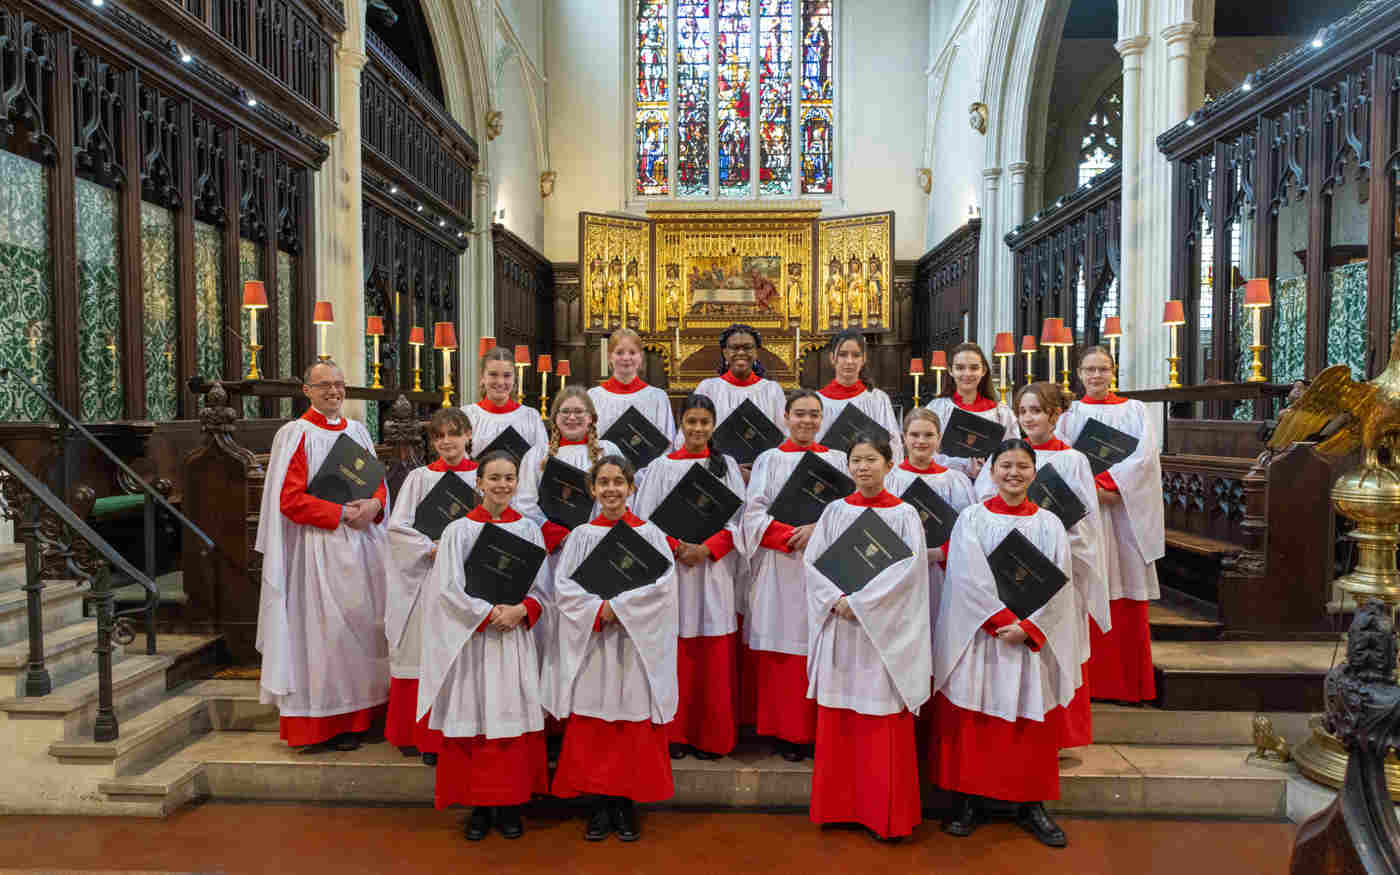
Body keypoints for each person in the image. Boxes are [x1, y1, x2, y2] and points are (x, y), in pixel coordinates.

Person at [932, 439, 1075, 848]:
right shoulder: (973, 518)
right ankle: (969, 801)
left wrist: (1030, 627)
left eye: (1022, 466)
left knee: (1028, 718)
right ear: (992, 471)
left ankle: (1031, 804)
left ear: (1034, 472)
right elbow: (966, 578)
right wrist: (1000, 622)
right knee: (976, 715)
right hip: (984, 637)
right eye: (1006, 465)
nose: (1014, 473)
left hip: (1027, 640)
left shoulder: (1049, 523)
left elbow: (1060, 582)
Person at [255, 360, 390, 751]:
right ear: (307, 391)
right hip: (318, 549)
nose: (333, 391)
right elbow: (290, 500)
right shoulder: (296, 435)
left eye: (339, 384)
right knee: (325, 637)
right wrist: (341, 513)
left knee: (365, 633)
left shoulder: (358, 431)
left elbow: (377, 482)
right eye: (324, 385)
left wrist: (375, 506)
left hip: (363, 546)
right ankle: (326, 723)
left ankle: (363, 718)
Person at [416, 451, 549, 841]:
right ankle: (479, 807)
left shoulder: (529, 530)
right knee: (474, 719)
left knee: (508, 721)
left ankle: (509, 805)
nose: (502, 485)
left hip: (512, 639)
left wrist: (522, 610)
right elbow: (446, 589)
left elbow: (544, 588)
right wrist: (486, 613)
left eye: (509, 478)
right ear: (479, 483)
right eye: (494, 478)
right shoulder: (458, 531)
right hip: (473, 641)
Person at [544, 456, 678, 842]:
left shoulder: (651, 535)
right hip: (596, 642)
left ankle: (625, 804)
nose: (611, 489)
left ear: (631, 487)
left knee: (630, 722)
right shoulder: (582, 536)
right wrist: (597, 610)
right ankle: (600, 805)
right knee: (595, 724)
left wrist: (619, 608)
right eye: (603, 482)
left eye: (619, 481)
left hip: (635, 644)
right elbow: (564, 588)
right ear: (592, 489)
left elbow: (664, 588)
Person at [804, 434, 930, 842]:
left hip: (884, 637)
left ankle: (882, 813)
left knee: (880, 720)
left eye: (871, 459)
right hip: (841, 628)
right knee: (840, 717)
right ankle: (838, 806)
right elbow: (813, 564)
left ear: (889, 464)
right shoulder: (835, 511)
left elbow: (908, 574)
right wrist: (836, 599)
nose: (863, 467)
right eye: (856, 460)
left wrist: (860, 603)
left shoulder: (905, 515)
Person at [973, 382, 1107, 748]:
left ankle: (1054, 736)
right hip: (1007, 570)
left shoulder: (1073, 460)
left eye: (1036, 410)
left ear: (1054, 414)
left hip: (1055, 570)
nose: (1028, 418)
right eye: (1023, 411)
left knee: (1052, 643)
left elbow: (1086, 522)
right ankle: (1011, 736)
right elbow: (983, 503)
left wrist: (1052, 547)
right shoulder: (1004, 455)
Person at [632, 394, 747, 760]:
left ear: (714, 426)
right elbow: (644, 521)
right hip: (675, 570)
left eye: (704, 422)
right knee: (675, 650)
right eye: (691, 421)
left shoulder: (725, 466)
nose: (698, 428)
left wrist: (708, 549)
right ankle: (676, 734)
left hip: (713, 571)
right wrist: (678, 547)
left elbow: (741, 520)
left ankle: (712, 737)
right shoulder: (661, 467)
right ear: (680, 424)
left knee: (712, 655)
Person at [740, 389, 847, 762]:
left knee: (821, 644)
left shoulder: (837, 459)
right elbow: (752, 514)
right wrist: (790, 536)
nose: (807, 420)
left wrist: (817, 530)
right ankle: (785, 731)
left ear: (822, 419)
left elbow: (850, 510)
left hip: (825, 569)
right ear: (786, 417)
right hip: (781, 566)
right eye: (799, 413)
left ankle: (819, 729)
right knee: (783, 645)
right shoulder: (769, 459)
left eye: (814, 414)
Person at [1054, 347, 1164, 704]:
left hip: (1122, 513)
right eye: (1090, 369)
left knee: (1124, 583)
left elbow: (1145, 458)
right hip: (1086, 514)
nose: (1096, 375)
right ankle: (1091, 685)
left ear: (1112, 371)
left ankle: (1129, 686)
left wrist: (1109, 485)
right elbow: (1060, 459)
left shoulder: (1135, 410)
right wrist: (1091, 490)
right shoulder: (1069, 415)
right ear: (1079, 373)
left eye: (1102, 369)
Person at [382, 408, 478, 764]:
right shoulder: (419, 478)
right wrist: (430, 548)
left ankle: (457, 734)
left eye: (454, 434)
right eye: (439, 436)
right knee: (422, 651)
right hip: (428, 576)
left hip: (468, 580)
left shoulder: (483, 477)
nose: (446, 442)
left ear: (468, 435)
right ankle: (421, 735)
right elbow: (398, 529)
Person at [884, 408, 976, 763]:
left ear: (939, 440)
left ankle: (938, 732)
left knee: (940, 642)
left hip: (942, 574)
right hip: (901, 581)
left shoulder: (956, 481)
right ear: (903, 439)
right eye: (914, 435)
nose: (921, 442)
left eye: (928, 435)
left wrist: (939, 553)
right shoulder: (890, 479)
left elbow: (970, 531)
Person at [515, 387, 621, 558]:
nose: (571, 417)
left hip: (598, 543)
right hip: (553, 548)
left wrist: (593, 533)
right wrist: (557, 535)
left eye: (579, 411)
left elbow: (624, 496)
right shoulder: (537, 454)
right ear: (555, 418)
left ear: (591, 418)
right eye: (565, 411)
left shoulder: (608, 451)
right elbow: (524, 502)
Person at [691, 323, 788, 481]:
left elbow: (784, 436)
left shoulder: (772, 390)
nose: (741, 352)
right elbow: (692, 434)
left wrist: (758, 471)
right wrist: (731, 469)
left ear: (756, 352)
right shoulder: (708, 388)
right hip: (718, 473)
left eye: (747, 347)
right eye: (734, 348)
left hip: (762, 475)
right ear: (725, 352)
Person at [588, 328, 676, 489]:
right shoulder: (594, 397)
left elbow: (667, 446)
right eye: (619, 352)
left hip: (646, 484)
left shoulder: (657, 397)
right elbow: (590, 442)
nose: (626, 358)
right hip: (605, 484)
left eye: (632, 352)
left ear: (640, 357)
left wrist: (640, 478)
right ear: (609, 357)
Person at [925, 342, 1016, 478]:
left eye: (974, 368)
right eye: (960, 368)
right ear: (950, 371)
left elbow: (1013, 452)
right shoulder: (936, 408)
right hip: (945, 480)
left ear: (983, 371)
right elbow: (925, 451)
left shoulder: (1001, 413)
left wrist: (988, 467)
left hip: (989, 483)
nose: (967, 373)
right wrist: (963, 464)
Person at [815, 329, 904, 463]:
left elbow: (893, 446)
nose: (849, 361)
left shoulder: (877, 399)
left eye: (856, 355)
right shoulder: (818, 401)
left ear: (864, 359)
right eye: (843, 355)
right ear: (832, 358)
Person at [464, 345, 548, 460]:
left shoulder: (530, 417)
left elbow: (541, 460)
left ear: (514, 379)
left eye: (507, 375)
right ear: (482, 377)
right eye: (493, 374)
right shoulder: (467, 415)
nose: (500, 382)